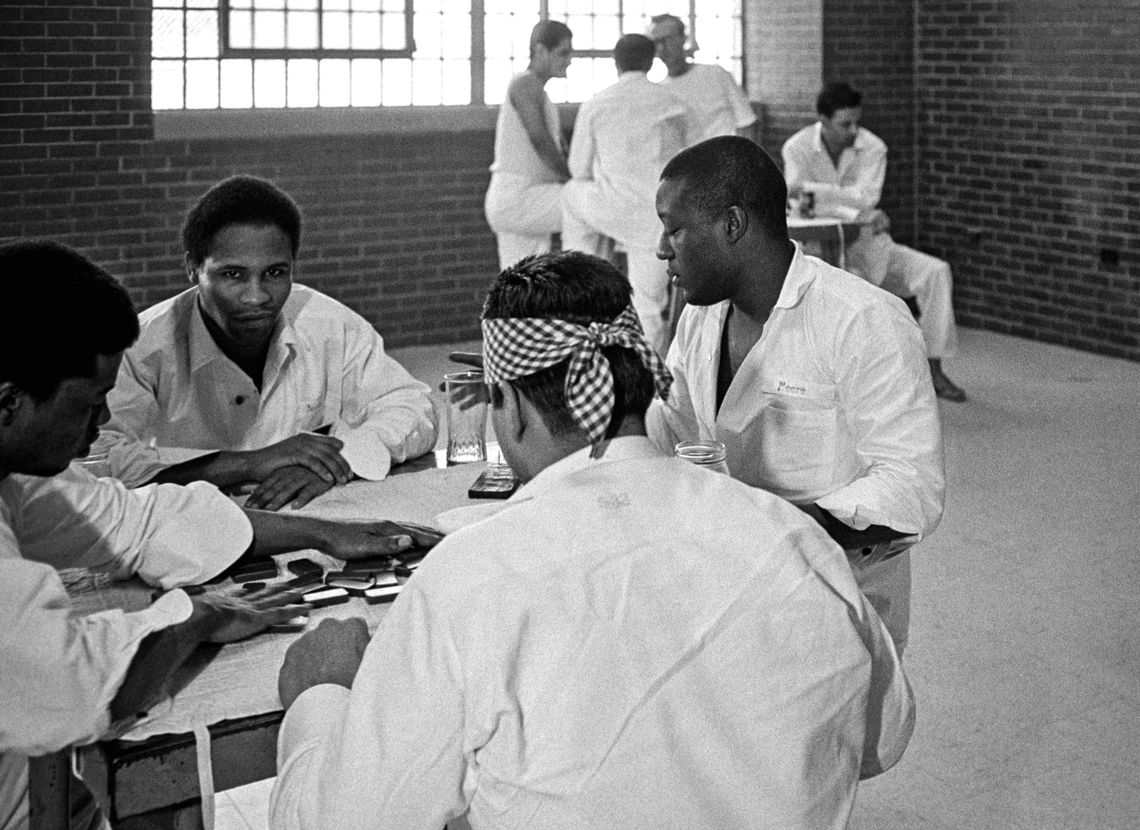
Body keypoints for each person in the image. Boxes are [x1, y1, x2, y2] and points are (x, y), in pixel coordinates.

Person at [269, 250, 914, 829]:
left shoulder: (468, 580)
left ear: (512, 409)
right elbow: (883, 738)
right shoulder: (797, 542)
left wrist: (320, 698)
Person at [0, 241, 436, 830]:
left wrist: (326, 534)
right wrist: (199, 615)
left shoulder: (18, 477)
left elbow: (137, 519)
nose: (101, 424)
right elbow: (72, 687)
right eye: (88, 405)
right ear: (9, 403)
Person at [649, 136, 945, 654]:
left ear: (732, 226)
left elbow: (911, 485)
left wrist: (777, 528)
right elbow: (672, 430)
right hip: (730, 587)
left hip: (838, 607)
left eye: (674, 230)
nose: (660, 248)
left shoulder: (862, 320)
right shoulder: (700, 317)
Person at [94, 175, 438, 511]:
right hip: (188, 528)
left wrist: (340, 458)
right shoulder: (142, 346)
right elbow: (98, 458)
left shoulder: (330, 324)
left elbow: (411, 407)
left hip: (312, 518)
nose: (257, 297)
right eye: (233, 275)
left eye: (275, 273)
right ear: (192, 268)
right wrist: (245, 464)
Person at [781, 82, 967, 401]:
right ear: (822, 121)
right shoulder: (796, 147)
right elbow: (797, 202)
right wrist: (855, 208)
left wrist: (818, 194)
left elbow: (865, 197)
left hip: (871, 244)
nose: (854, 131)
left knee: (936, 272)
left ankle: (934, 368)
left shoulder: (873, 146)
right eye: (844, 124)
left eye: (857, 122)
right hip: (818, 252)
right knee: (845, 295)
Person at [561, 33, 688, 355]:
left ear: (615, 63)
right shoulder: (674, 102)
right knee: (648, 306)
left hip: (613, 209)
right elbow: (688, 160)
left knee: (572, 192)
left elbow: (578, 169)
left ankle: (583, 277)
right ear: (651, 61)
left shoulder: (597, 102)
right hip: (659, 216)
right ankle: (652, 387)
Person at [484, 20, 574, 269]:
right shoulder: (525, 83)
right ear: (540, 50)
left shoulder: (539, 92)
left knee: (521, 287)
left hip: (526, 197)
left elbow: (555, 145)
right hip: (518, 197)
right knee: (586, 204)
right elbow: (540, 140)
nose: (569, 60)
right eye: (563, 52)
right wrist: (571, 179)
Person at [648, 13, 755, 145]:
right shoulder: (660, 92)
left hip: (727, 156)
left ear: (683, 39)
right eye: (656, 42)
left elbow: (746, 122)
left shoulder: (716, 74)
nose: (662, 48)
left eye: (668, 39)